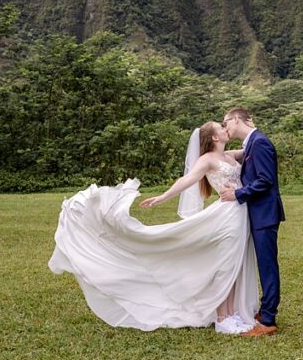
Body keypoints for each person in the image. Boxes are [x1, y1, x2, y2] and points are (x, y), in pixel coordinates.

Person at [48, 122, 258, 334]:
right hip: (226, 215)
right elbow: (188, 179)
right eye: (220, 127)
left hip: (239, 212)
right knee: (225, 266)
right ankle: (223, 319)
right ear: (214, 137)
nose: (225, 128)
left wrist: (248, 125)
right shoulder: (207, 160)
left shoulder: (230, 156)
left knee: (235, 265)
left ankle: (232, 314)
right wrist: (164, 196)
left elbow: (253, 145)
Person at [219, 107, 285, 337]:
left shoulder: (260, 142)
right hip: (258, 213)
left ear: (236, 119)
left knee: (267, 265)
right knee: (264, 263)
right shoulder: (251, 143)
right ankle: (265, 309)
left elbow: (266, 180)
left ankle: (268, 320)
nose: (225, 127)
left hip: (265, 213)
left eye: (225, 122)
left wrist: (238, 194)